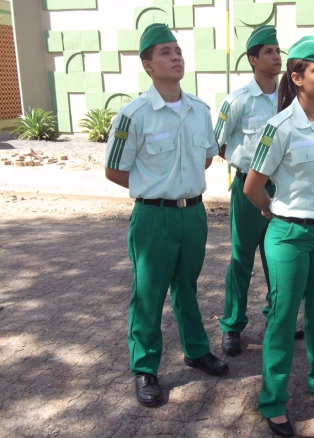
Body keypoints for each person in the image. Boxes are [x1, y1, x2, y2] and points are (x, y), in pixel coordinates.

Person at [104, 23, 228, 408]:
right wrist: (154, 188)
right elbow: (114, 170)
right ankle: (145, 368)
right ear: (147, 65)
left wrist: (180, 186)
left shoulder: (199, 110)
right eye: (164, 52)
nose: (175, 57)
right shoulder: (134, 114)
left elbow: (206, 156)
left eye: (177, 50)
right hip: (153, 217)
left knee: (187, 287)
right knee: (148, 294)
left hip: (193, 214)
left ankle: (196, 350)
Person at [243, 35, 314, 437]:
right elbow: (252, 186)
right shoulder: (279, 127)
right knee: (282, 318)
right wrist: (274, 212)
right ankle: (273, 400)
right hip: (289, 235)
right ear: (298, 76)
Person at [214, 25, 290, 356]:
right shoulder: (237, 101)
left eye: (278, 51)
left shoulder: (291, 97)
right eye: (269, 52)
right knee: (242, 258)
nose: (277, 56)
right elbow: (216, 143)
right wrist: (246, 167)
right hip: (248, 187)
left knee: (280, 258)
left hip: (285, 187)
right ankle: (232, 325)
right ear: (253, 59)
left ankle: (278, 319)